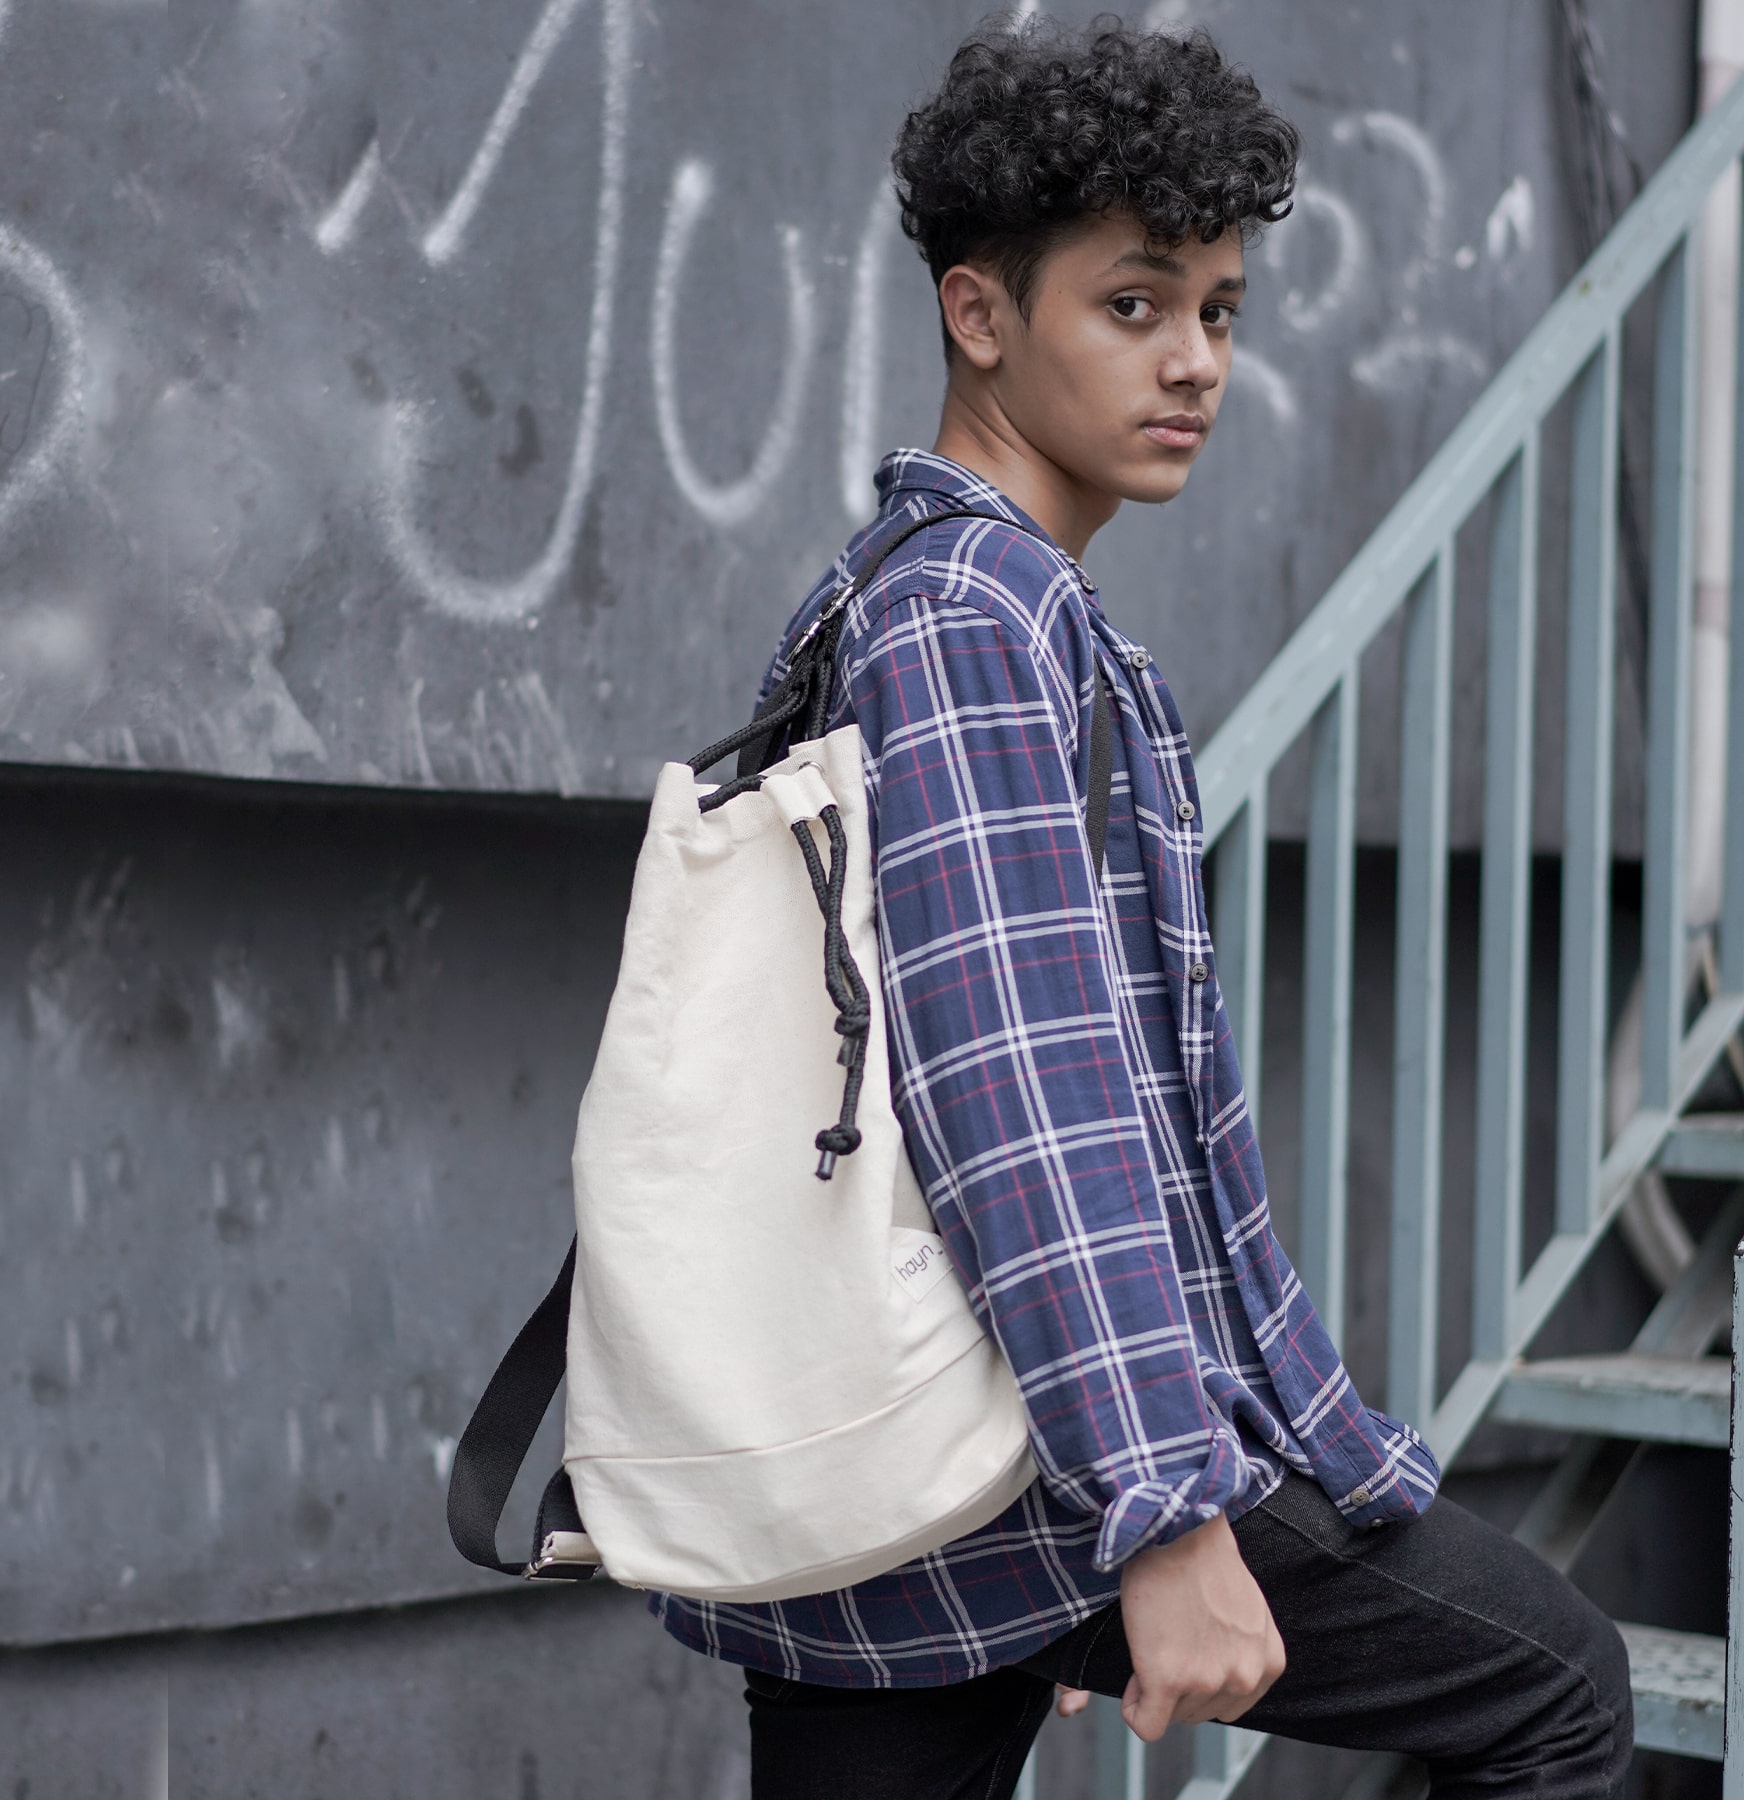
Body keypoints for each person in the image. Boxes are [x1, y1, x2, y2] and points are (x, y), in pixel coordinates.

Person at [651, 17, 1633, 1797]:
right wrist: (1164, 1513)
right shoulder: (971, 621)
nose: (1194, 362)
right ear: (978, 315)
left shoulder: (949, 599)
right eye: (1133, 304)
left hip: (921, 1477)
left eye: (1221, 312)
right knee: (1554, 1691)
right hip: (1033, 1467)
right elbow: (1027, 1092)